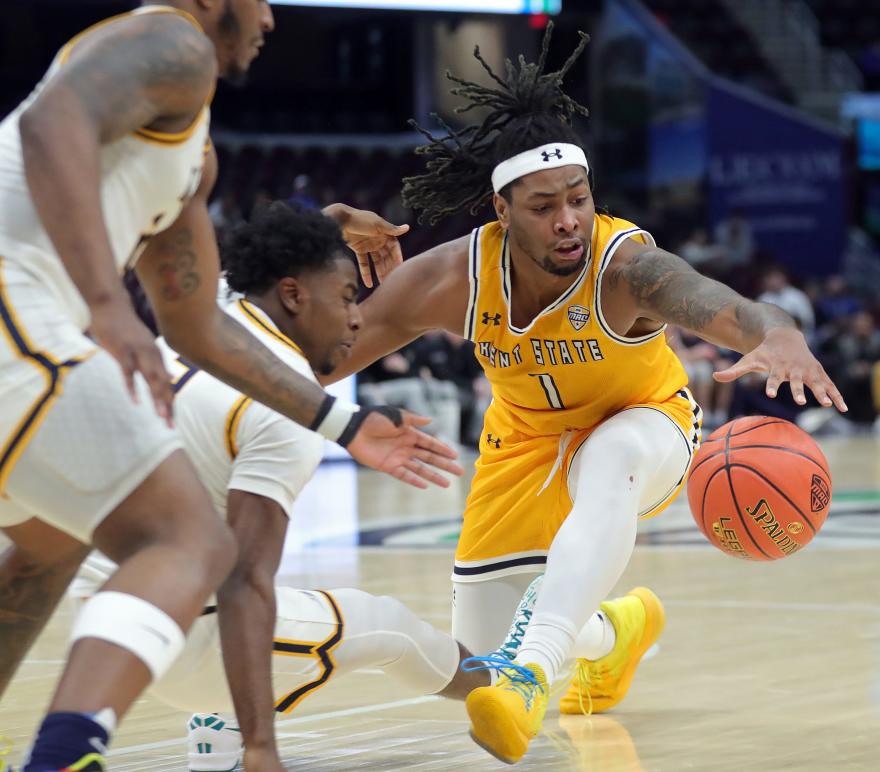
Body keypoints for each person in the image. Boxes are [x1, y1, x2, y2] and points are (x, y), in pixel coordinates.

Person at [0, 3, 459, 771]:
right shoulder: (170, 37)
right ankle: (61, 758)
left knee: (49, 547)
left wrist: (344, 423)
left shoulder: (188, 148)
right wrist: (106, 307)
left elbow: (196, 324)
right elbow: (50, 128)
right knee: (189, 540)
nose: (272, 17)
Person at [323, 26, 846, 764]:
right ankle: (611, 635)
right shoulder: (454, 278)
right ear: (501, 212)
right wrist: (312, 246)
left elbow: (720, 303)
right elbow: (318, 356)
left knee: (610, 458)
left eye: (578, 197)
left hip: (646, 425)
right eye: (543, 206)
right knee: (475, 649)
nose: (568, 218)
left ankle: (531, 674)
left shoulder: (624, 267)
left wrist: (780, 330)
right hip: (525, 442)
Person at [67, 203, 501, 771]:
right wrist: (263, 747)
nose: (356, 320)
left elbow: (271, 253)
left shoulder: (214, 311)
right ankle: (505, 685)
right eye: (347, 297)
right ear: (294, 296)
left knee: (225, 558)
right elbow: (248, 585)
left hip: (97, 611)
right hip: (177, 640)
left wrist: (334, 225)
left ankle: (213, 738)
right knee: (385, 626)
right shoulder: (287, 406)